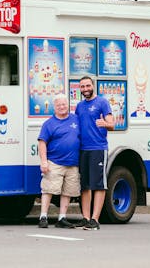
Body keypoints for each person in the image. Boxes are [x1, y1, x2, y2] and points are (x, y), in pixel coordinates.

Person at [75, 76, 114, 230]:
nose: (85, 89)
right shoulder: (79, 106)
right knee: (85, 186)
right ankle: (85, 218)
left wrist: (105, 123)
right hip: (83, 149)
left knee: (98, 185)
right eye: (82, 87)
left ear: (93, 86)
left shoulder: (102, 102)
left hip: (98, 148)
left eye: (87, 86)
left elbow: (112, 124)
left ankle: (95, 220)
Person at [37, 94, 80, 229]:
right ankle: (43, 216)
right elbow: (42, 143)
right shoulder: (49, 124)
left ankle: (62, 218)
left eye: (64, 104)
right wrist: (44, 162)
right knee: (48, 190)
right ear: (54, 107)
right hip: (54, 162)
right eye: (59, 105)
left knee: (68, 192)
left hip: (73, 163)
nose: (62, 107)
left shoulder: (76, 119)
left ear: (68, 105)